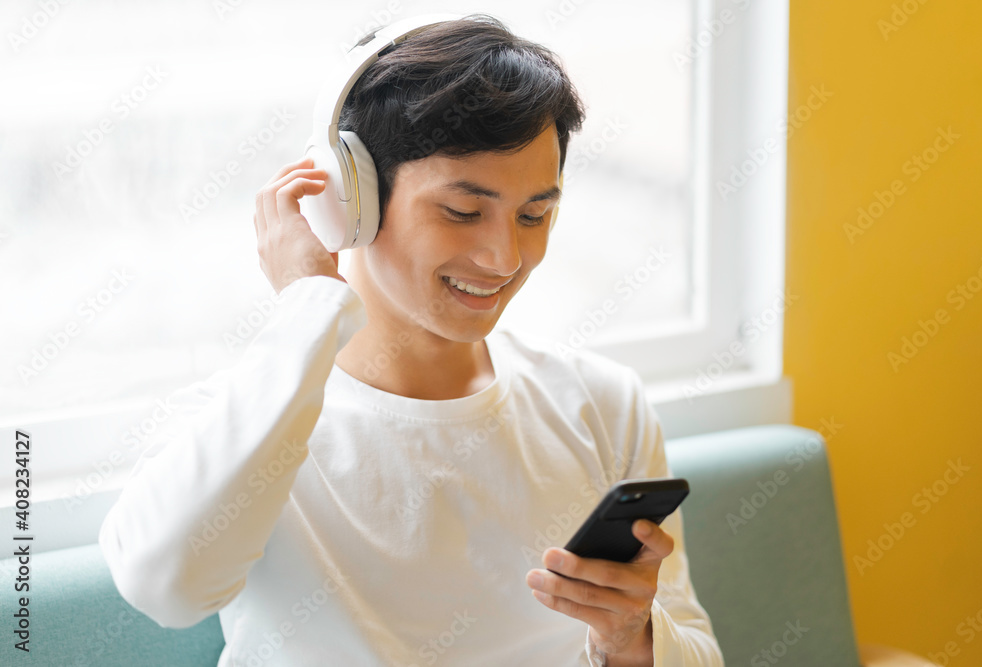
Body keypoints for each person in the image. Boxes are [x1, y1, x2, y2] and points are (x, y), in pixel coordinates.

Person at [99, 14, 724, 667]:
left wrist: (631, 640)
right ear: (351, 198)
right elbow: (163, 587)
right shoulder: (246, 416)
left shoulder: (602, 403)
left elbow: (697, 648)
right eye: (462, 211)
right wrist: (307, 304)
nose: (505, 255)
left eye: (535, 214)